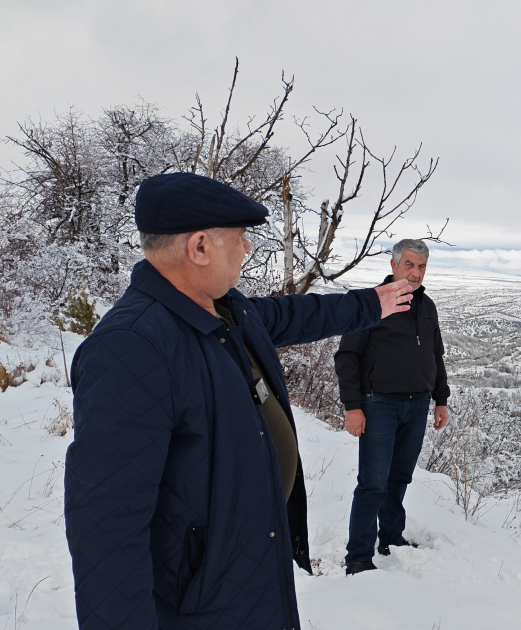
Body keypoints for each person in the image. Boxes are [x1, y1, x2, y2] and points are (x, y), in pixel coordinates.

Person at [63, 172, 413, 630]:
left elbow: (296, 314)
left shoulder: (225, 309)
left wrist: (372, 304)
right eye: (241, 237)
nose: (247, 249)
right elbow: (107, 531)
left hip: (247, 573)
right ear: (200, 247)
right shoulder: (134, 347)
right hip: (201, 600)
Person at [335, 238, 450, 576]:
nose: (415, 273)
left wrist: (440, 398)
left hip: (417, 405)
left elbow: (435, 355)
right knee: (373, 481)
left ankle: (391, 537)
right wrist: (352, 406)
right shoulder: (373, 303)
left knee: (399, 477)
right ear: (394, 265)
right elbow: (347, 356)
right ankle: (358, 556)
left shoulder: (427, 306)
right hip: (379, 404)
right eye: (410, 264)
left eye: (422, 266)